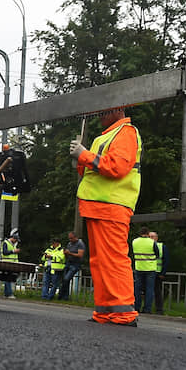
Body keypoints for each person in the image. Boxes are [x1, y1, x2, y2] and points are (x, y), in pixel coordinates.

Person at [70, 107, 142, 326]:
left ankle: (123, 313)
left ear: (118, 110)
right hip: (99, 205)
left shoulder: (126, 132)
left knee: (113, 260)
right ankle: (104, 312)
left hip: (112, 205)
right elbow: (93, 170)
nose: (100, 115)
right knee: (100, 262)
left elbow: (117, 167)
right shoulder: (108, 135)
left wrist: (83, 155)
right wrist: (81, 160)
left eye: (104, 111)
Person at [131, 225, 159, 314]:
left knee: (137, 289)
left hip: (138, 267)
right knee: (149, 289)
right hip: (150, 268)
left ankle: (136, 307)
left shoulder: (134, 241)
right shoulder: (152, 242)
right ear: (148, 233)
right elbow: (157, 254)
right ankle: (147, 309)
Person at [57, 231, 86, 301]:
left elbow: (80, 255)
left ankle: (61, 295)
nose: (70, 240)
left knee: (66, 279)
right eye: (69, 238)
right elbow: (67, 253)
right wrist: (65, 253)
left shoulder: (80, 244)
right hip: (69, 262)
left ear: (76, 237)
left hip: (76, 263)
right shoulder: (69, 244)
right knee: (64, 279)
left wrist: (70, 253)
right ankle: (65, 297)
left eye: (71, 238)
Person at [150, 231, 168, 314]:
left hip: (157, 272)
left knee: (157, 291)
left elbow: (166, 260)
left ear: (157, 238)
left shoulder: (161, 246)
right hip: (148, 271)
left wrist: (162, 273)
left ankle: (159, 309)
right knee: (147, 291)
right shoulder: (146, 246)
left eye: (153, 236)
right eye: (150, 236)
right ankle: (147, 308)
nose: (151, 238)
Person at [1, 229, 21, 298]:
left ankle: (6, 293)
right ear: (13, 238)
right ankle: (9, 293)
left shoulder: (14, 244)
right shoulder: (5, 243)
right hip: (6, 263)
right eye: (16, 240)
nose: (16, 241)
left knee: (7, 279)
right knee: (8, 278)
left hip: (12, 264)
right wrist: (13, 251)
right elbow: (4, 252)